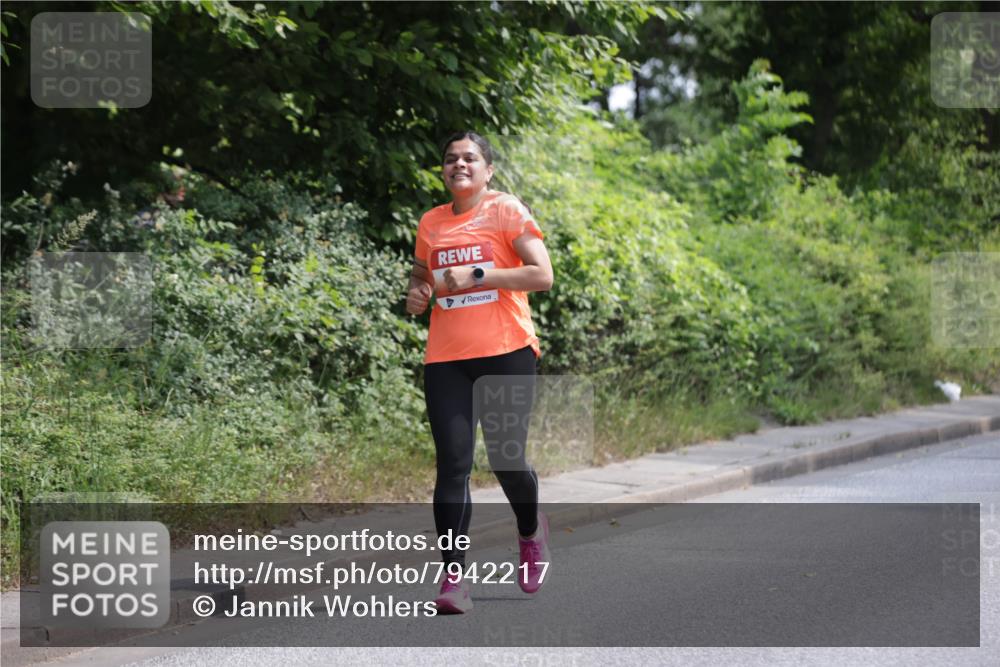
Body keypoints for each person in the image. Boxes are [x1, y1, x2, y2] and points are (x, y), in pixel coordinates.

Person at [406, 131, 554, 614]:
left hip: (507, 351)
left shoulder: (505, 209)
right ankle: (454, 578)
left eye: (470, 158)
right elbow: (422, 275)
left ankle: (530, 531)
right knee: (453, 465)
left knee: (507, 460)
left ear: (488, 170)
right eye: (451, 158)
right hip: (447, 358)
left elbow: (542, 275)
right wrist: (417, 293)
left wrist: (479, 275)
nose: (459, 164)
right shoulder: (431, 222)